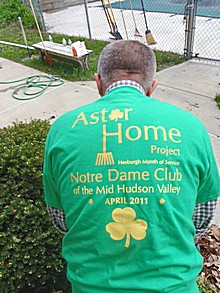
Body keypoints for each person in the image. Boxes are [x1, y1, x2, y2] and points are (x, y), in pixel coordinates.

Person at [43, 40, 219, 293]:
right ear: (152, 88)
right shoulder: (191, 127)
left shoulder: (62, 129)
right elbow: (201, 218)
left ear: (98, 82)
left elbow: (60, 219)